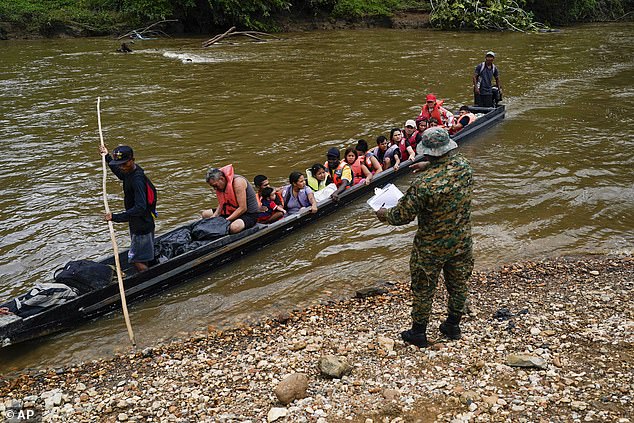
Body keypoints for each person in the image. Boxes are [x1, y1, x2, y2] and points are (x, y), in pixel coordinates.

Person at [375, 127, 474, 348]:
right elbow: (446, 168)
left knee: (424, 287)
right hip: (461, 241)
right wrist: (429, 166)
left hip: (431, 246)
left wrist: (381, 213)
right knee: (458, 285)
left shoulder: (423, 185)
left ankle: (418, 332)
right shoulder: (464, 168)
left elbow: (400, 216)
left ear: (427, 152)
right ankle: (452, 325)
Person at [99, 145, 157, 273]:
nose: (121, 167)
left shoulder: (137, 179)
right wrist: (107, 157)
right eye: (119, 164)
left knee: (136, 260)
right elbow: (120, 174)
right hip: (138, 223)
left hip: (142, 225)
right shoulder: (129, 172)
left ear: (132, 160)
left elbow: (140, 208)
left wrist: (115, 217)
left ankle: (148, 280)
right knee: (142, 256)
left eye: (124, 164)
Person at [202, 165, 260, 234]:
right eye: (212, 186)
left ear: (222, 179)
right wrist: (214, 217)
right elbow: (222, 203)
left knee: (234, 227)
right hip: (230, 211)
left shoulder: (238, 183)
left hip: (248, 214)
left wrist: (225, 221)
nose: (215, 189)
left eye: (215, 185)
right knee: (205, 214)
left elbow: (243, 208)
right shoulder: (221, 185)